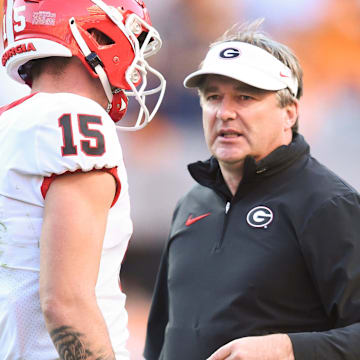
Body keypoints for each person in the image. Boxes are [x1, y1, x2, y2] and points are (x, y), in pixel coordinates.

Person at [144, 19, 360, 360]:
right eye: (213, 97)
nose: (225, 112)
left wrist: (288, 348)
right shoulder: (191, 203)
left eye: (245, 97)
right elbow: (160, 339)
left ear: (289, 113)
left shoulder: (328, 204)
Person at [0, 0, 165, 359]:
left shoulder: (10, 123)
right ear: (93, 35)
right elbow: (66, 303)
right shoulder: (75, 116)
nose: (137, 63)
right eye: (132, 41)